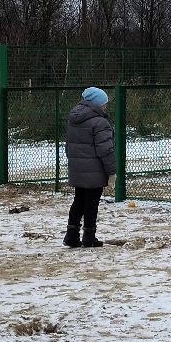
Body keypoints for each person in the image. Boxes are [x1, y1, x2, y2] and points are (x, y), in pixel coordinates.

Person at [63, 86, 113, 248]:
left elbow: (68, 145)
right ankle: (89, 236)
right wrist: (112, 171)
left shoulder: (73, 118)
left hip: (77, 167)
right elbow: (105, 150)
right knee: (92, 203)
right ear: (97, 104)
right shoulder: (100, 122)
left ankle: (71, 235)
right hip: (95, 170)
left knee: (78, 200)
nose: (105, 106)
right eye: (104, 103)